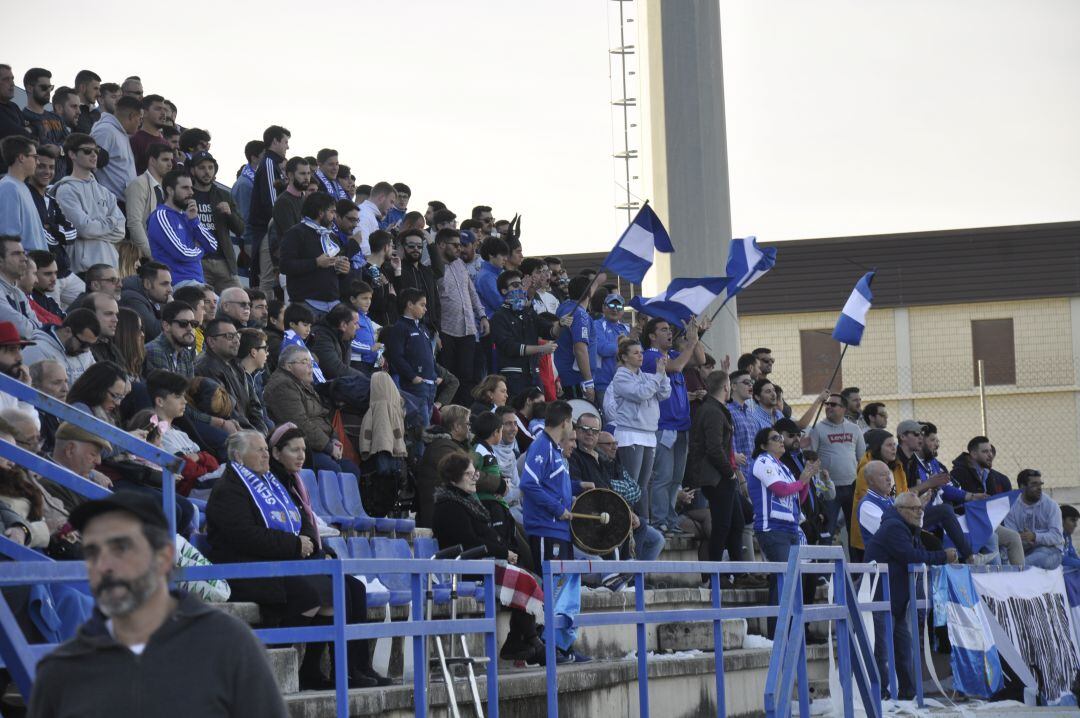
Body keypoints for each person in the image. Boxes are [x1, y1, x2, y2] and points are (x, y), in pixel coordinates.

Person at [26, 491, 288, 717]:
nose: (104, 565)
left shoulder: (229, 646)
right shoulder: (62, 669)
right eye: (93, 552)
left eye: (121, 549)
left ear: (164, 559)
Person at [207, 430, 389, 689]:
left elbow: (300, 519)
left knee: (344, 587)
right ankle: (278, 652)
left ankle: (329, 669)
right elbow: (245, 536)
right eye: (258, 450)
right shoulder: (228, 490)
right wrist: (295, 545)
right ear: (237, 456)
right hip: (245, 568)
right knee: (311, 592)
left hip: (279, 562)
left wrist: (307, 542)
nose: (265, 454)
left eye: (264, 449)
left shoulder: (270, 483)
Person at [431, 450, 545, 663]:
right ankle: (530, 641)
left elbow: (486, 536)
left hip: (483, 564)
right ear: (453, 478)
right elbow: (469, 542)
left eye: (475, 473)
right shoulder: (449, 507)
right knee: (526, 580)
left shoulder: (466, 500)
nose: (475, 478)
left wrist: (504, 552)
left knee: (533, 578)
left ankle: (519, 640)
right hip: (466, 569)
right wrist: (503, 552)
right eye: (469, 474)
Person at [864, 491, 957, 701]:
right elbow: (911, 556)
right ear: (900, 510)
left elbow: (920, 552)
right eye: (914, 509)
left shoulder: (908, 527)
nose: (919, 513)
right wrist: (943, 556)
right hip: (880, 599)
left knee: (903, 650)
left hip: (895, 601)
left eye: (920, 509)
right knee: (882, 651)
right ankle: (879, 695)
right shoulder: (894, 527)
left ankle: (907, 692)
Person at [519, 400, 591, 664]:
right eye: (571, 423)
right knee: (550, 590)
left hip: (561, 531)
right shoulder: (541, 446)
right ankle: (544, 648)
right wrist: (557, 509)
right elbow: (529, 484)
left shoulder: (554, 450)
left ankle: (561, 644)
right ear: (565, 422)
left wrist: (575, 489)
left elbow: (551, 483)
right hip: (546, 528)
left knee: (565, 592)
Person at [641, 316, 707, 532]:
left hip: (681, 426)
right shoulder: (649, 357)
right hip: (663, 426)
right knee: (663, 476)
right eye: (663, 330)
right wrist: (690, 342)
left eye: (670, 329)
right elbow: (678, 367)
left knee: (676, 478)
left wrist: (694, 337)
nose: (669, 333)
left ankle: (669, 518)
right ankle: (659, 520)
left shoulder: (672, 354)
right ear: (652, 336)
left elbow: (700, 360)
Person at [749, 426, 818, 630]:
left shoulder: (785, 467)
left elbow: (797, 498)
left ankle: (790, 632)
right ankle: (777, 634)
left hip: (790, 529)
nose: (781, 440)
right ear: (763, 445)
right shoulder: (762, 461)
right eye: (775, 438)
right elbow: (780, 490)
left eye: (781, 437)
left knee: (793, 581)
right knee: (783, 581)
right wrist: (802, 480)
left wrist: (804, 481)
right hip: (773, 529)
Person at [686, 370, 749, 572]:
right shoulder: (712, 411)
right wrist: (729, 473)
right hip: (716, 477)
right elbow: (714, 448)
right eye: (729, 384)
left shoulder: (716, 409)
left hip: (721, 475)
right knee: (722, 526)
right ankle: (714, 575)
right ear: (725, 387)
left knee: (737, 522)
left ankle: (739, 574)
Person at [264, 344, 359, 477]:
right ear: (288, 366)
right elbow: (300, 423)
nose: (310, 366)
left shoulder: (303, 383)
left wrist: (334, 439)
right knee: (332, 471)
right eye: (304, 362)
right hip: (303, 447)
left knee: (351, 470)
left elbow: (322, 416)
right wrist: (328, 447)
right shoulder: (282, 385)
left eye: (310, 362)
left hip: (320, 444)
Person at [605, 337, 670, 520]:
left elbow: (665, 393)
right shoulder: (621, 376)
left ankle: (643, 522)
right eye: (636, 353)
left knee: (643, 484)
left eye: (641, 352)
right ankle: (625, 519)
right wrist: (657, 377)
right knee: (631, 484)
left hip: (648, 433)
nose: (640, 356)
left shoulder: (647, 376)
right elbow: (640, 393)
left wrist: (662, 373)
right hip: (630, 433)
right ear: (624, 357)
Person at [53, 134, 125, 274]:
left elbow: (121, 230)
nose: (93, 155)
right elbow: (83, 228)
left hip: (110, 266)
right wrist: (110, 223)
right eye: (87, 151)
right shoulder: (65, 190)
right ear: (72, 154)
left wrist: (94, 228)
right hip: (83, 269)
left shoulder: (105, 192)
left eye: (96, 151)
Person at [436, 228, 487, 404]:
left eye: (462, 245)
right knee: (448, 377)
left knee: (467, 377)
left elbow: (471, 291)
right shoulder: (432, 266)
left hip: (468, 330)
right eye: (456, 245)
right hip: (445, 330)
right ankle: (445, 414)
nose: (460, 249)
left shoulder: (459, 264)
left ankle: (463, 415)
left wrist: (482, 315)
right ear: (442, 244)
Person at [808, 393, 866, 551]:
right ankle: (824, 572)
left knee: (854, 531)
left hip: (852, 486)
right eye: (827, 404)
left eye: (833, 405)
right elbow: (810, 457)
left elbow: (862, 458)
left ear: (844, 409)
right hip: (828, 489)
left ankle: (856, 569)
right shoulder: (817, 429)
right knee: (828, 528)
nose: (828, 407)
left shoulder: (854, 429)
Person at [490, 269, 559, 397]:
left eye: (521, 284)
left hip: (534, 375)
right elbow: (510, 347)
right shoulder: (499, 317)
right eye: (515, 285)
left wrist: (561, 324)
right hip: (512, 377)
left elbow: (549, 331)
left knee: (539, 414)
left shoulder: (529, 313)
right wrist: (541, 348)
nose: (520, 288)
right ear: (504, 291)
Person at [195, 318, 271, 435]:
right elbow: (227, 410)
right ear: (211, 341)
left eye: (237, 336)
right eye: (230, 336)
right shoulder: (206, 367)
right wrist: (254, 434)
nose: (236, 341)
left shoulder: (236, 364)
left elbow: (254, 404)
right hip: (233, 433)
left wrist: (261, 431)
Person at [147, 170, 219, 287]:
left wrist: (195, 221)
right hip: (177, 283)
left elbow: (213, 245)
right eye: (185, 188)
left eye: (191, 188)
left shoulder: (188, 217)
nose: (191, 192)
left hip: (197, 282)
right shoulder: (161, 216)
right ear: (170, 190)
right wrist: (201, 249)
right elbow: (182, 253)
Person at [280, 192, 350, 310]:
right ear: (320, 212)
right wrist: (316, 262)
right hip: (306, 304)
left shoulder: (331, 236)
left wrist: (343, 269)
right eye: (332, 212)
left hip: (333, 304)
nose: (334, 217)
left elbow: (335, 271)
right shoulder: (296, 233)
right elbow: (285, 266)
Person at [188, 151, 243, 292]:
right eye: (202, 168)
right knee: (202, 305)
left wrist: (230, 214)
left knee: (238, 300)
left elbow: (240, 229)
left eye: (210, 168)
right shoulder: (186, 194)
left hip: (224, 261)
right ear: (193, 171)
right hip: (198, 261)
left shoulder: (224, 195)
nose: (207, 172)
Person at [384, 288, 438, 424]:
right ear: (409, 305)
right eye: (422, 305)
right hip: (415, 386)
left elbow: (429, 356)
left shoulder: (422, 328)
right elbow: (396, 357)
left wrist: (435, 375)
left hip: (430, 386)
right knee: (420, 430)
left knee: (428, 430)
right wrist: (412, 377)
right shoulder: (400, 327)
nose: (425, 309)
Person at [415, 405, 472, 528]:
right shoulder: (443, 447)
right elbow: (462, 474)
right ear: (457, 426)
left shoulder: (450, 445)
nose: (469, 428)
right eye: (467, 424)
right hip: (438, 516)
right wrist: (498, 484)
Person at [249, 125, 290, 294]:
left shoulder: (273, 164)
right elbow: (273, 202)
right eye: (285, 142)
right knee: (267, 280)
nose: (288, 147)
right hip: (267, 230)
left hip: (272, 230)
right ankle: (265, 318)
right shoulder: (268, 163)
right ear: (275, 141)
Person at [1002, 469, 1064, 569]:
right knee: (1002, 551)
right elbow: (1011, 536)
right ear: (1022, 487)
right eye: (1034, 484)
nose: (1039, 488)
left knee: (1042, 558)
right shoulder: (1012, 506)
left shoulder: (1051, 505)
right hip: (1023, 550)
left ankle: (1014, 568)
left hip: (1050, 550)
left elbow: (1057, 537)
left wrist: (1034, 536)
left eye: (1040, 484)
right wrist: (1022, 538)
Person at [124, 142, 174, 262]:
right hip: (144, 257)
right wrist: (152, 255)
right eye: (165, 160)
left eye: (171, 160)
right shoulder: (138, 184)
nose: (170, 164)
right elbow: (134, 223)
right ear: (152, 160)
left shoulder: (166, 188)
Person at [22, 308, 99, 385]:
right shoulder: (36, 351)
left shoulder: (84, 350)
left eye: (90, 345)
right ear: (67, 331)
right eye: (84, 344)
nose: (86, 350)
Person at [553, 275, 600, 402]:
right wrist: (589, 382)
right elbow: (580, 349)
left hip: (565, 376)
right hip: (576, 379)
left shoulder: (564, 307)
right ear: (589, 293)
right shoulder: (580, 315)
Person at [0, 136, 49, 252]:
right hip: (26, 266)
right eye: (35, 157)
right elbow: (9, 235)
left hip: (37, 264)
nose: (38, 162)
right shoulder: (8, 188)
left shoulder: (22, 187)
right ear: (21, 157)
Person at [88, 95, 140, 201]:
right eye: (139, 118)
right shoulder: (105, 130)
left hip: (124, 202)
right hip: (110, 203)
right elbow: (91, 164)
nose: (139, 123)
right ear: (131, 116)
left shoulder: (120, 132)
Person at [394, 228, 443, 339]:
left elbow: (436, 302)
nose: (416, 249)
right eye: (411, 246)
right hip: (408, 330)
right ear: (403, 247)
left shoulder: (426, 271)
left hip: (430, 330)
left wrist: (431, 244)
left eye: (419, 246)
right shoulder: (396, 269)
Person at [592, 294, 630, 411]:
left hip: (626, 383)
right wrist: (625, 345)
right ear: (604, 307)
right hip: (604, 383)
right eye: (611, 305)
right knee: (610, 420)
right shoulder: (597, 324)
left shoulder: (626, 328)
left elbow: (636, 352)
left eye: (618, 307)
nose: (614, 309)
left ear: (623, 311)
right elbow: (602, 349)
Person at [119, 261, 172, 341]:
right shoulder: (132, 299)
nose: (170, 290)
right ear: (147, 284)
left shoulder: (154, 297)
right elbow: (155, 334)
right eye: (164, 284)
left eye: (170, 284)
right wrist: (170, 310)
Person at [0, 236, 40, 339]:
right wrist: (36, 329)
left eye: (23, 253)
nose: (24, 258)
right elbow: (22, 329)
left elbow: (39, 329)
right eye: (16, 254)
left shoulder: (19, 293)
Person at [359, 230, 398, 328]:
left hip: (387, 326)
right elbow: (379, 304)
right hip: (377, 328)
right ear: (385, 247)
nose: (393, 251)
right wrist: (392, 297)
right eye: (392, 246)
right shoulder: (371, 270)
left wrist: (398, 271)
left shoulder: (383, 269)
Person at [358, 182, 396, 256]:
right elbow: (362, 248)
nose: (392, 207)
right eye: (391, 202)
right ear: (381, 198)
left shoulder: (369, 214)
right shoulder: (364, 214)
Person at [1061, 505, 1080, 572]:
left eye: (1076, 521)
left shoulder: (1067, 535)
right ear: (1062, 520)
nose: (1076, 525)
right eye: (1073, 520)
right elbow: (1062, 559)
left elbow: (1072, 554)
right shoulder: (1056, 536)